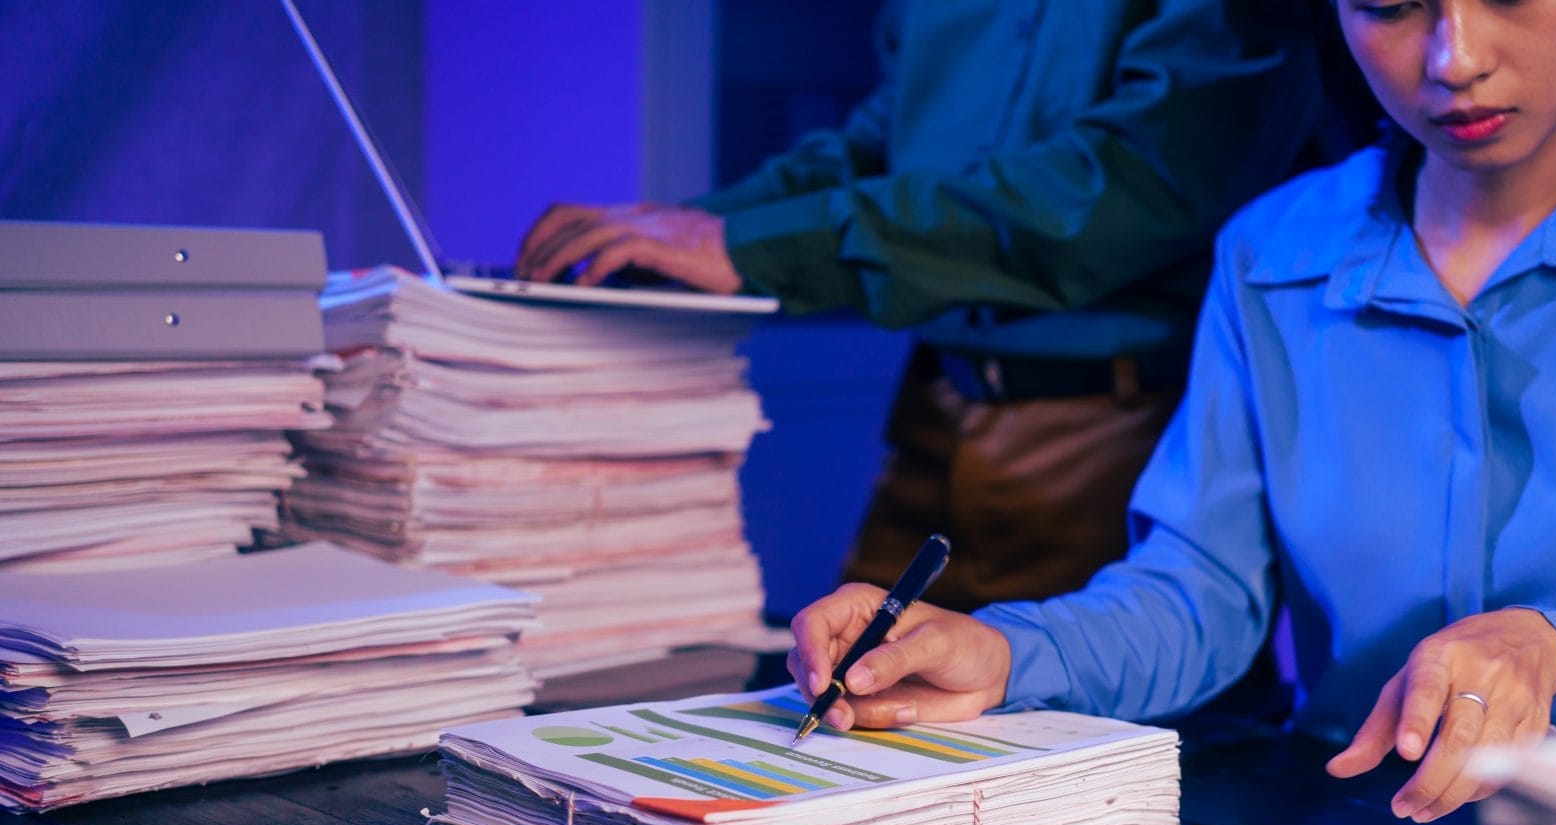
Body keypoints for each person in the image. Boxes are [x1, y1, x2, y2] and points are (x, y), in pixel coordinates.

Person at [784, 0, 1556, 822]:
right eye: (1392, 4)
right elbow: (1199, 596)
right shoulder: (1273, 247)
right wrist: (1004, 651)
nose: (1455, 57)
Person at [515, 0, 1324, 610]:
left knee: (1074, 768)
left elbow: (1117, 192)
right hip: (936, 405)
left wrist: (759, 247)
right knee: (835, 717)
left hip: (1115, 431)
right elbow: (873, 147)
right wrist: (691, 230)